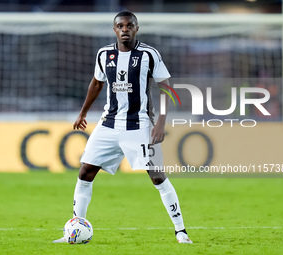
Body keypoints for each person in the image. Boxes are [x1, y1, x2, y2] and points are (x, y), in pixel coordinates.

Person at [53, 10, 192, 244]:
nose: (125, 29)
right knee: (85, 172)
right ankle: (75, 230)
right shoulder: (104, 54)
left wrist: (160, 122)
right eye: (120, 26)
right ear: (114, 29)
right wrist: (83, 112)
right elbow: (97, 83)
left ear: (136, 29)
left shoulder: (149, 54)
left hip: (139, 126)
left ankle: (181, 232)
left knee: (157, 177)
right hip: (108, 124)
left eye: (129, 25)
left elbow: (165, 87)